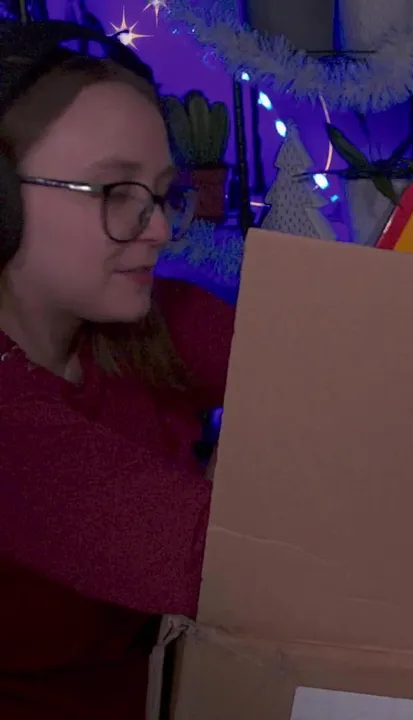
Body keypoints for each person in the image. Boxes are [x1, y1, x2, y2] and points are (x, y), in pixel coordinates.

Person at [0, 23, 234, 719]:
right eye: (112, 190)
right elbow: (238, 567)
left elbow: (328, 366)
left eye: (159, 193)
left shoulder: (141, 319)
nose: (156, 228)